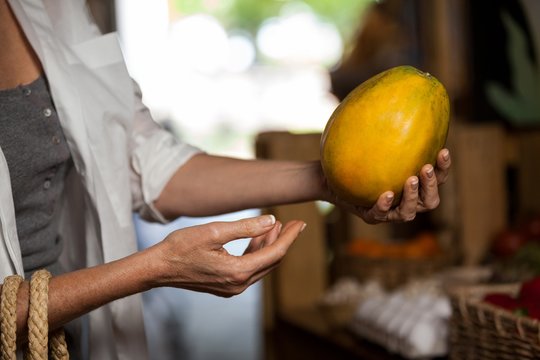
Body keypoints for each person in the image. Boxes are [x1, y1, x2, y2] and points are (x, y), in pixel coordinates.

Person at [0, 1, 451, 359]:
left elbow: (144, 164)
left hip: (59, 343)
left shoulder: (53, 6)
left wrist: (331, 183)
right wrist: (155, 268)